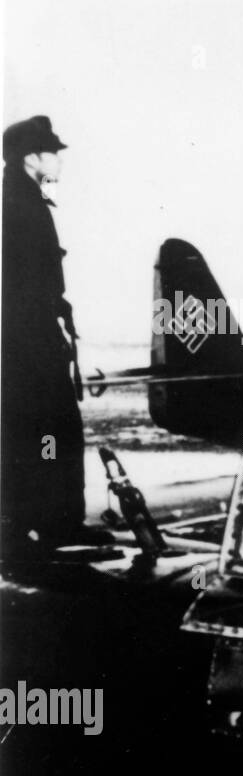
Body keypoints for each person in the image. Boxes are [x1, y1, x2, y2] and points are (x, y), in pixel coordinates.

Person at [1, 115, 103, 558]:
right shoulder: (21, 206)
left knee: (37, 430)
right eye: (52, 153)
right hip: (27, 339)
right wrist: (43, 336)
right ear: (31, 158)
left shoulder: (23, 200)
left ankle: (34, 523)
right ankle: (52, 524)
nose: (59, 161)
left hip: (27, 337)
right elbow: (25, 282)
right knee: (50, 429)